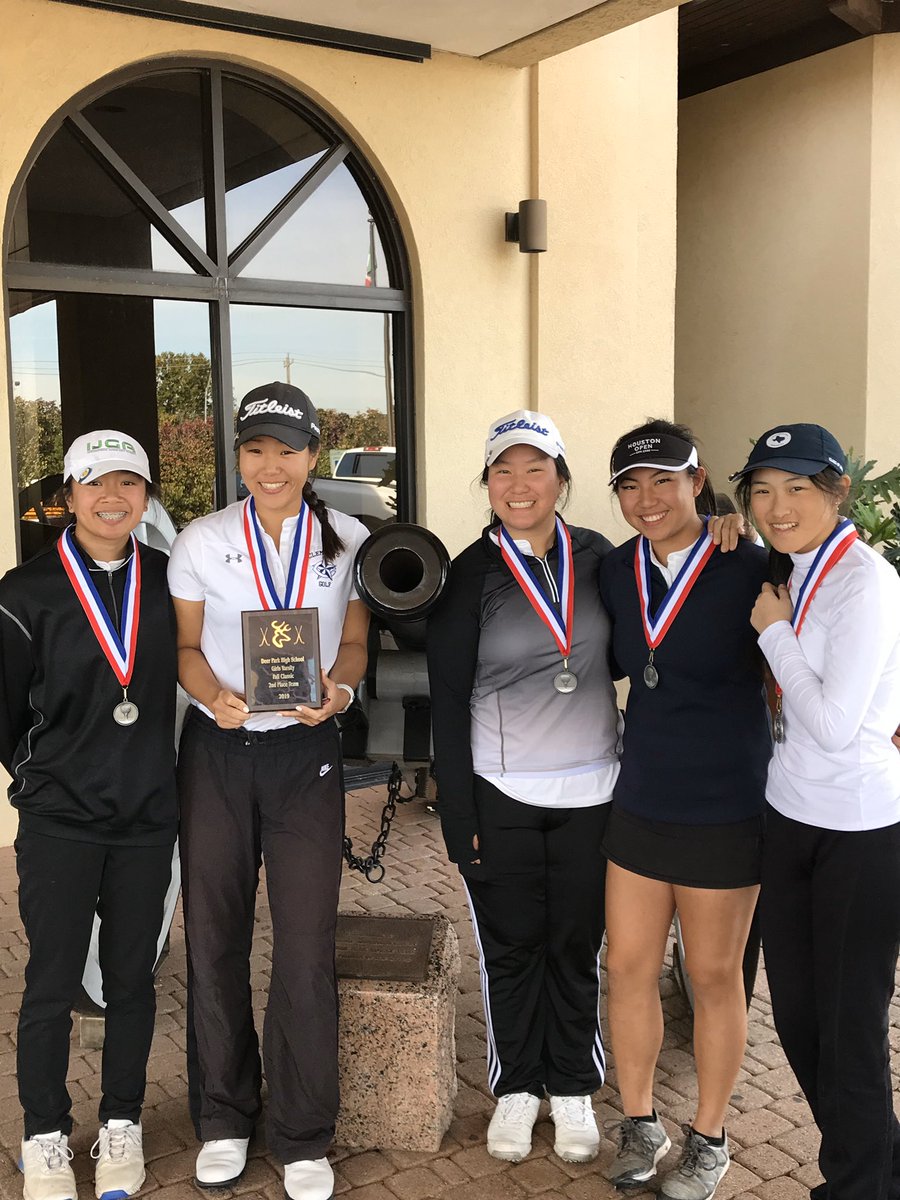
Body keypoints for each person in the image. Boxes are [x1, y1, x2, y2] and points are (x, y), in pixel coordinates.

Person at [167, 382, 369, 1200]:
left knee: (304, 943)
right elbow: (184, 646)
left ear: (313, 454)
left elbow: (353, 637)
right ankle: (222, 1117)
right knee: (213, 936)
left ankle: (302, 1132)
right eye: (255, 449)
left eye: (286, 449)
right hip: (218, 753)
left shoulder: (346, 537)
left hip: (305, 754)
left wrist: (342, 691)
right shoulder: (202, 539)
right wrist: (212, 694)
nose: (270, 465)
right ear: (239, 455)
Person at [426, 409, 622, 1166]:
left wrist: (723, 526)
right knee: (510, 947)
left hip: (595, 790)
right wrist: (457, 809)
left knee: (576, 944)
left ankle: (572, 1085)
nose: (519, 484)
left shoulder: (601, 558)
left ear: (562, 481)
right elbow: (446, 697)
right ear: (486, 483)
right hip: (501, 790)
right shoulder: (468, 574)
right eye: (503, 470)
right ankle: (516, 1088)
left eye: (535, 468)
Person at [0, 431, 177, 1200]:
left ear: (146, 496)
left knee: (132, 981)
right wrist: (46, 781)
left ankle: (122, 1123)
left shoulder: (173, 582)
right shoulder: (24, 592)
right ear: (68, 497)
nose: (115, 497)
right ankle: (43, 1134)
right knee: (49, 984)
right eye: (96, 483)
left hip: (146, 821)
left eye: (130, 483)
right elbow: (6, 716)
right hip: (61, 822)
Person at [599, 418, 770, 1200]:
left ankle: (709, 1136)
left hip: (728, 801)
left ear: (699, 482)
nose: (647, 499)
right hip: (641, 796)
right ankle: (640, 1123)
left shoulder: (752, 567)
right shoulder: (614, 570)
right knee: (628, 967)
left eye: (665, 480)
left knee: (711, 973)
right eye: (631, 485)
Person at [732, 422, 900, 1200]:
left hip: (861, 830)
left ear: (838, 491)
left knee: (850, 1029)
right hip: (789, 815)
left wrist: (775, 637)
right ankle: (877, 1164)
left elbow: (834, 725)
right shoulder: (790, 569)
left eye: (798, 487)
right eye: (762, 490)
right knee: (798, 1019)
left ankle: (858, 1183)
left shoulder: (865, 581)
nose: (778, 505)